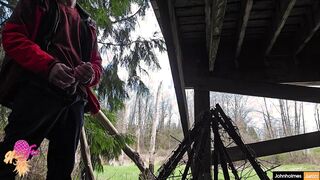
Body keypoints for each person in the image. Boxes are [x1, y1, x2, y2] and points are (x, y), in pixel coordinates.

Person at [0, 0, 102, 178]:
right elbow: (12, 36)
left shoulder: (87, 23)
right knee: (13, 159)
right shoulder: (37, 3)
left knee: (62, 170)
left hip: (74, 103)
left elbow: (97, 64)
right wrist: (49, 66)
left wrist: (91, 73)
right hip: (37, 97)